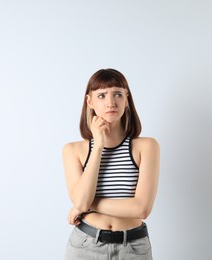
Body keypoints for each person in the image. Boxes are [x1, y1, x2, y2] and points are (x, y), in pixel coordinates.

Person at [62, 68, 160, 260]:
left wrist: (88, 207)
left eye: (118, 94)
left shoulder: (146, 147)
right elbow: (81, 201)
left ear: (126, 99)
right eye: (101, 95)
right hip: (85, 245)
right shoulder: (73, 150)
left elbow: (142, 209)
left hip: (133, 248)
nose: (110, 102)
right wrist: (97, 146)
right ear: (89, 102)